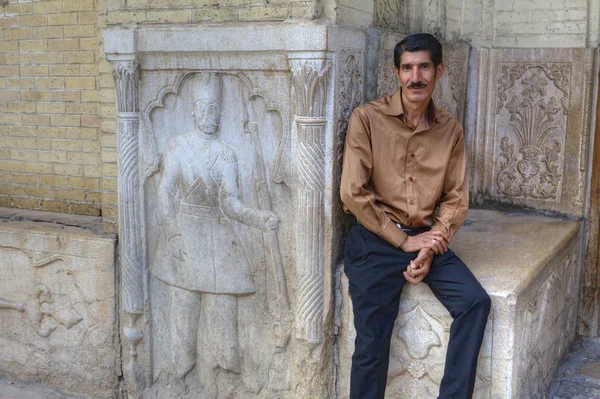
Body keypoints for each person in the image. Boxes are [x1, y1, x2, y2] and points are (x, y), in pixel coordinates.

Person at [340, 33, 491, 399]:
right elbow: (352, 193)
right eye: (407, 68)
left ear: (439, 71)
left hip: (424, 236)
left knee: (475, 302)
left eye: (424, 66)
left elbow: (455, 199)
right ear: (396, 73)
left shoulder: (450, 130)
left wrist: (430, 245)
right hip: (375, 239)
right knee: (371, 343)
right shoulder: (367, 119)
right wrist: (402, 240)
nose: (416, 76)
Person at [155, 73, 279, 397]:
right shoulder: (178, 147)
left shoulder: (227, 154)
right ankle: (180, 380)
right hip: (184, 239)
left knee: (224, 316)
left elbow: (231, 203)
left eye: (215, 110)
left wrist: (259, 218)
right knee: (183, 315)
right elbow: (165, 192)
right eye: (204, 108)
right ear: (194, 111)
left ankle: (226, 382)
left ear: (220, 114)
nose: (210, 115)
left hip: (220, 244)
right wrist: (173, 235)